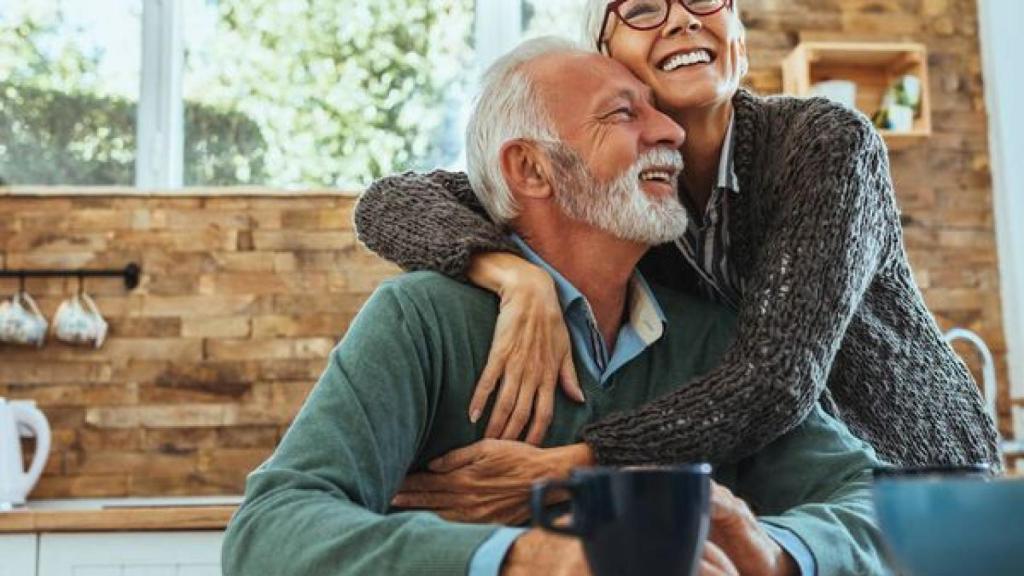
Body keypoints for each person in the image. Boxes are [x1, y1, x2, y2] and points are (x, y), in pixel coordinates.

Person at [222, 39, 888, 576]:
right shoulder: (420, 321)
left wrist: (772, 549)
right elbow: (268, 532)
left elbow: (879, 506)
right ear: (532, 171)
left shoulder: (712, 340)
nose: (670, 132)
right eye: (625, 114)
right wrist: (523, 557)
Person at [354, 0, 999, 470]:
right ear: (606, 61)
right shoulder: (620, 194)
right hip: (789, 488)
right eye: (641, 8)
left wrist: (575, 465)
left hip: (921, 474)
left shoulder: (827, 145)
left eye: (704, 0)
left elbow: (775, 380)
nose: (683, 18)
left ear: (738, 41)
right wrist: (510, 272)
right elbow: (390, 201)